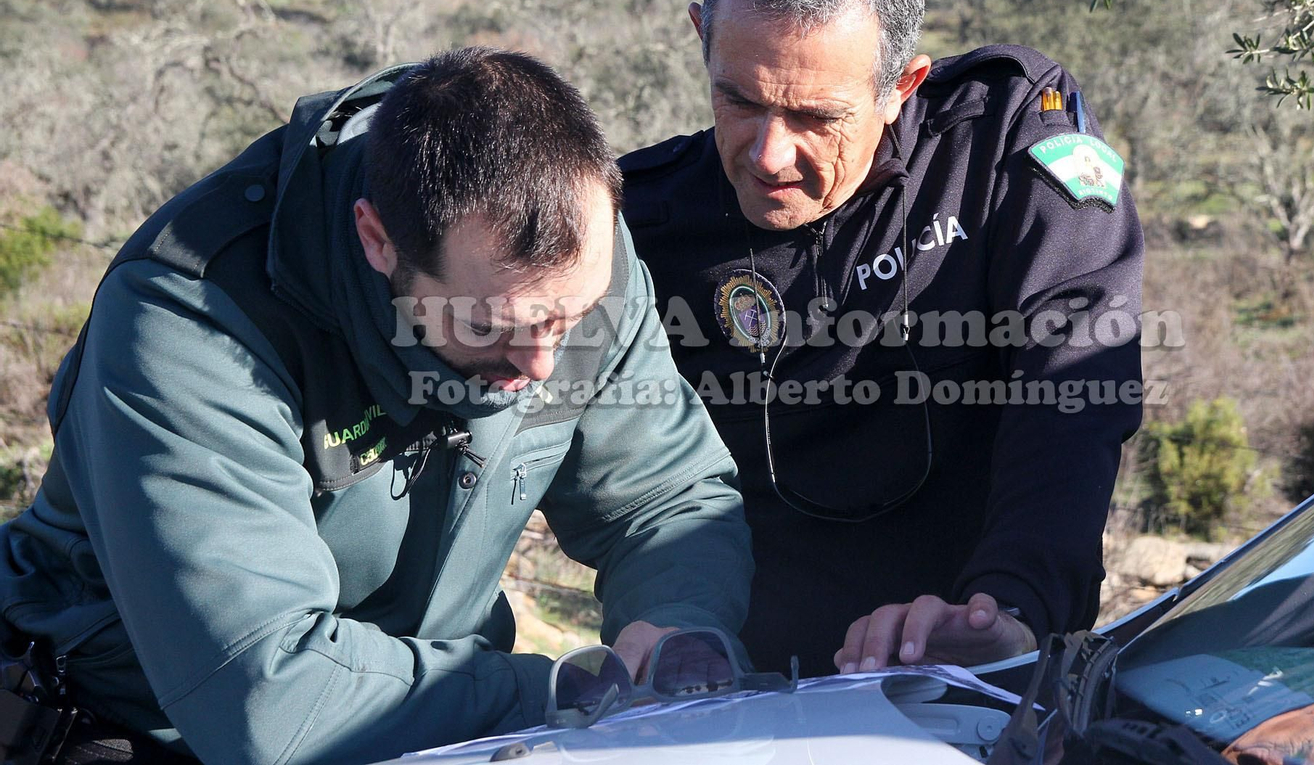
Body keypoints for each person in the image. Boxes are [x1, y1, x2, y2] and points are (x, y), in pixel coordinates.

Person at [0, 48, 753, 764]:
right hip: (137, 731)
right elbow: (270, 699)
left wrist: (680, 636)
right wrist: (567, 693)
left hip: (439, 726)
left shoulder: (570, 255)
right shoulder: (190, 315)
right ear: (377, 238)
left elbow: (667, 498)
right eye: (488, 324)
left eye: (574, 317)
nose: (544, 361)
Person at [620, 0, 1144, 676]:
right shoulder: (639, 217)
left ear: (901, 87)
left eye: (815, 118)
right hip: (739, 699)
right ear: (701, 39)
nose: (768, 154)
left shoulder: (1001, 141)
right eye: (739, 100)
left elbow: (1075, 386)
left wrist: (1009, 614)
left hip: (976, 684)